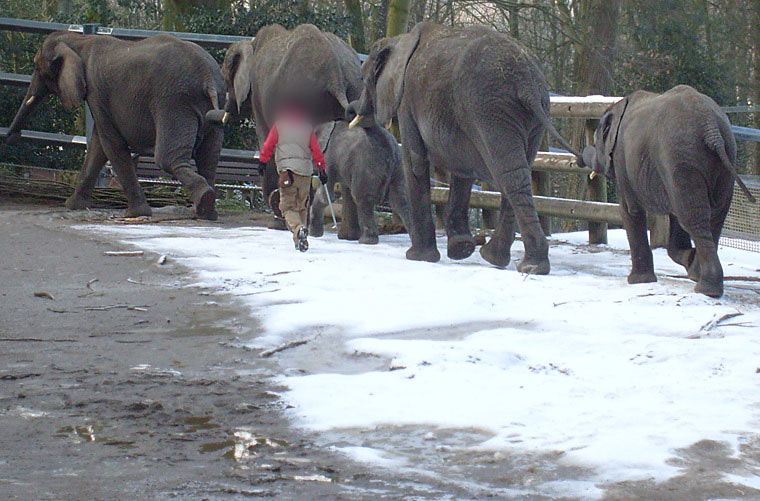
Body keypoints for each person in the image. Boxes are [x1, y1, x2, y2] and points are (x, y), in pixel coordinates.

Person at [259, 105, 328, 252]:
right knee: (301, 206)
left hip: (287, 172)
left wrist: (262, 162)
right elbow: (316, 150)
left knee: (287, 207)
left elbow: (268, 146)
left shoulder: (279, 126)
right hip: (305, 173)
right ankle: (300, 241)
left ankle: (298, 229)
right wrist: (321, 169)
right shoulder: (307, 128)